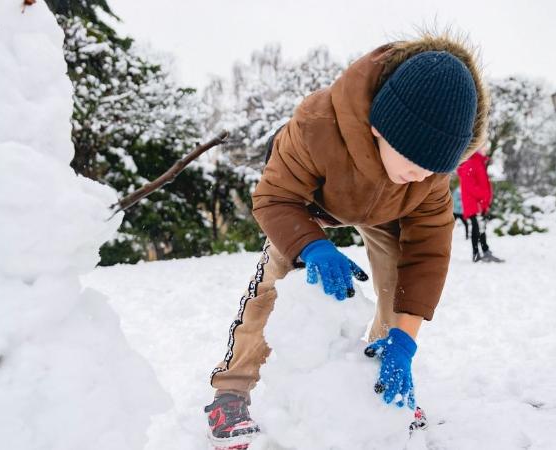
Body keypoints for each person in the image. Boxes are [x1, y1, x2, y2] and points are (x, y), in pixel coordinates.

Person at [204, 34, 488, 448]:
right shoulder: (316, 125)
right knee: (275, 283)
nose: (422, 176)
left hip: (388, 212)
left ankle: (377, 383)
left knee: (399, 288)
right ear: (379, 128)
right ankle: (230, 392)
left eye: (434, 170)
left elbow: (428, 253)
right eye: (414, 163)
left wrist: (406, 339)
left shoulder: (427, 181)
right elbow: (273, 197)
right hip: (308, 204)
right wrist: (311, 245)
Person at [456, 148, 501, 263]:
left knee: (481, 227)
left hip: (478, 202)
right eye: (483, 146)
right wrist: (483, 196)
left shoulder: (478, 162)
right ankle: (477, 254)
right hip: (474, 203)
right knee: (476, 228)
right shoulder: (471, 162)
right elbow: (470, 185)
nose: (485, 148)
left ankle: (484, 251)